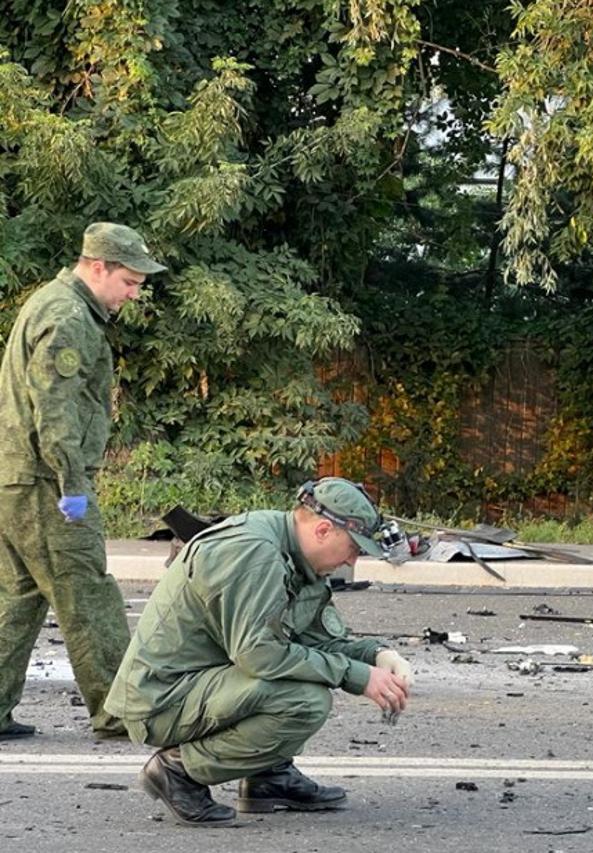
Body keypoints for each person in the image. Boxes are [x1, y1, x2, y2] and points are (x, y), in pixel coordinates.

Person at [104, 477, 415, 827]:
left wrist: (378, 656)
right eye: (354, 548)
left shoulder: (297, 556)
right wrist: (355, 676)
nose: (351, 560)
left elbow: (315, 640)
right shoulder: (255, 553)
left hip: (203, 684)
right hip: (161, 699)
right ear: (324, 530)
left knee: (300, 679)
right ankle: (178, 771)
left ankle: (268, 777)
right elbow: (260, 655)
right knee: (303, 701)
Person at [0, 222, 164, 741]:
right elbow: (56, 409)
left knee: (19, 598)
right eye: (130, 281)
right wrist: (72, 483)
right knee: (88, 595)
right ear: (98, 267)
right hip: (47, 483)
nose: (134, 294)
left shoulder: (52, 303)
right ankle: (121, 711)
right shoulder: (69, 317)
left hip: (17, 478)